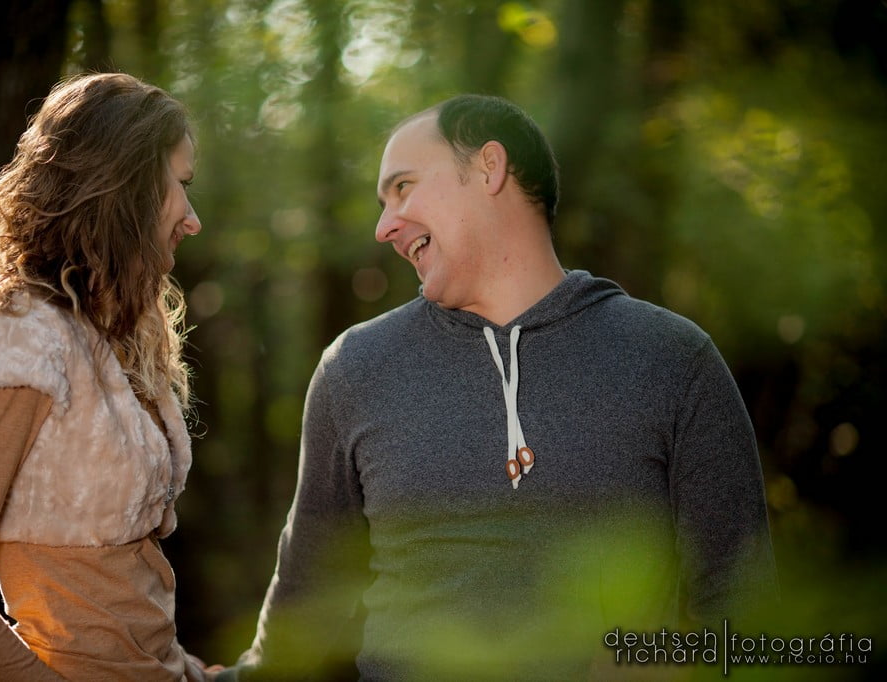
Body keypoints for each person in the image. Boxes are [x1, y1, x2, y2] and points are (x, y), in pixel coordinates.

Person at [212, 94, 779, 682]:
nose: (383, 228)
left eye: (402, 187)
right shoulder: (354, 368)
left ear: (490, 167)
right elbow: (306, 607)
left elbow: (743, 614)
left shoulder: (672, 359)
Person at [0, 72, 222, 681]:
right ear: (126, 185)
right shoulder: (19, 340)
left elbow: (120, 599)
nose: (192, 218)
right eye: (181, 185)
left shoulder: (106, 333)